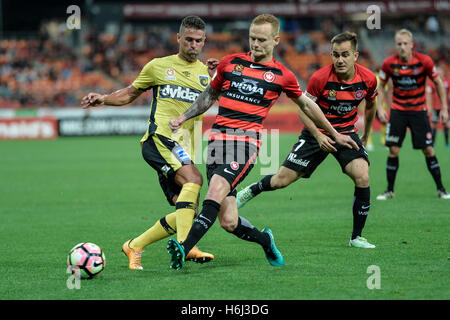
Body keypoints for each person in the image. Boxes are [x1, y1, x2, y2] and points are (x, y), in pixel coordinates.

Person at [166, 15, 359, 270]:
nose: (255, 44)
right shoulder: (230, 63)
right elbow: (209, 95)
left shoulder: (282, 75)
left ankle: (184, 248)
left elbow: (307, 105)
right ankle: (265, 240)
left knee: (214, 191)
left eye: (262, 39)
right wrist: (184, 116)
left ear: (276, 40)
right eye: (252, 38)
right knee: (228, 220)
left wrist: (334, 134)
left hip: (245, 144)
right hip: (216, 143)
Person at [80, 16, 220, 270]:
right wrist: (103, 98)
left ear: (204, 42)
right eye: (188, 39)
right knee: (195, 180)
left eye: (198, 41)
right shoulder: (158, 66)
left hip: (183, 148)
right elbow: (130, 93)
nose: (193, 45)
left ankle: (134, 245)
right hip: (159, 140)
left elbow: (221, 96)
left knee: (187, 209)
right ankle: (187, 246)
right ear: (178, 39)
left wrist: (217, 74)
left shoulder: (207, 73)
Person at [237, 31, 378, 249]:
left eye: (345, 55)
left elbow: (371, 106)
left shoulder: (368, 79)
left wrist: (366, 135)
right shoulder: (320, 78)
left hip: (346, 133)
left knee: (362, 176)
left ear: (355, 55)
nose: (340, 60)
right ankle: (252, 190)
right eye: (335, 55)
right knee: (281, 180)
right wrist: (319, 135)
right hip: (316, 134)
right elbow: (303, 110)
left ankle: (356, 237)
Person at [376, 29, 450, 200]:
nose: (402, 47)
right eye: (399, 44)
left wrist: (444, 108)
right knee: (393, 150)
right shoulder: (388, 64)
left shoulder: (424, 61)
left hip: (418, 111)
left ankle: (441, 189)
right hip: (398, 111)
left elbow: (438, 83)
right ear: (396, 45)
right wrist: (380, 107)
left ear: (412, 45)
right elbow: (380, 85)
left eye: (405, 44)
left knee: (428, 150)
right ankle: (389, 190)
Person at [426, 66, 449, 147]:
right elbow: (428, 95)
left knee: (446, 124)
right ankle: (433, 142)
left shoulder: (447, 82)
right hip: (435, 107)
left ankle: (447, 143)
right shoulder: (432, 83)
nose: (439, 73)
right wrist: (429, 106)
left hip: (444, 108)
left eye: (440, 72)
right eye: (438, 72)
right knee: (434, 124)